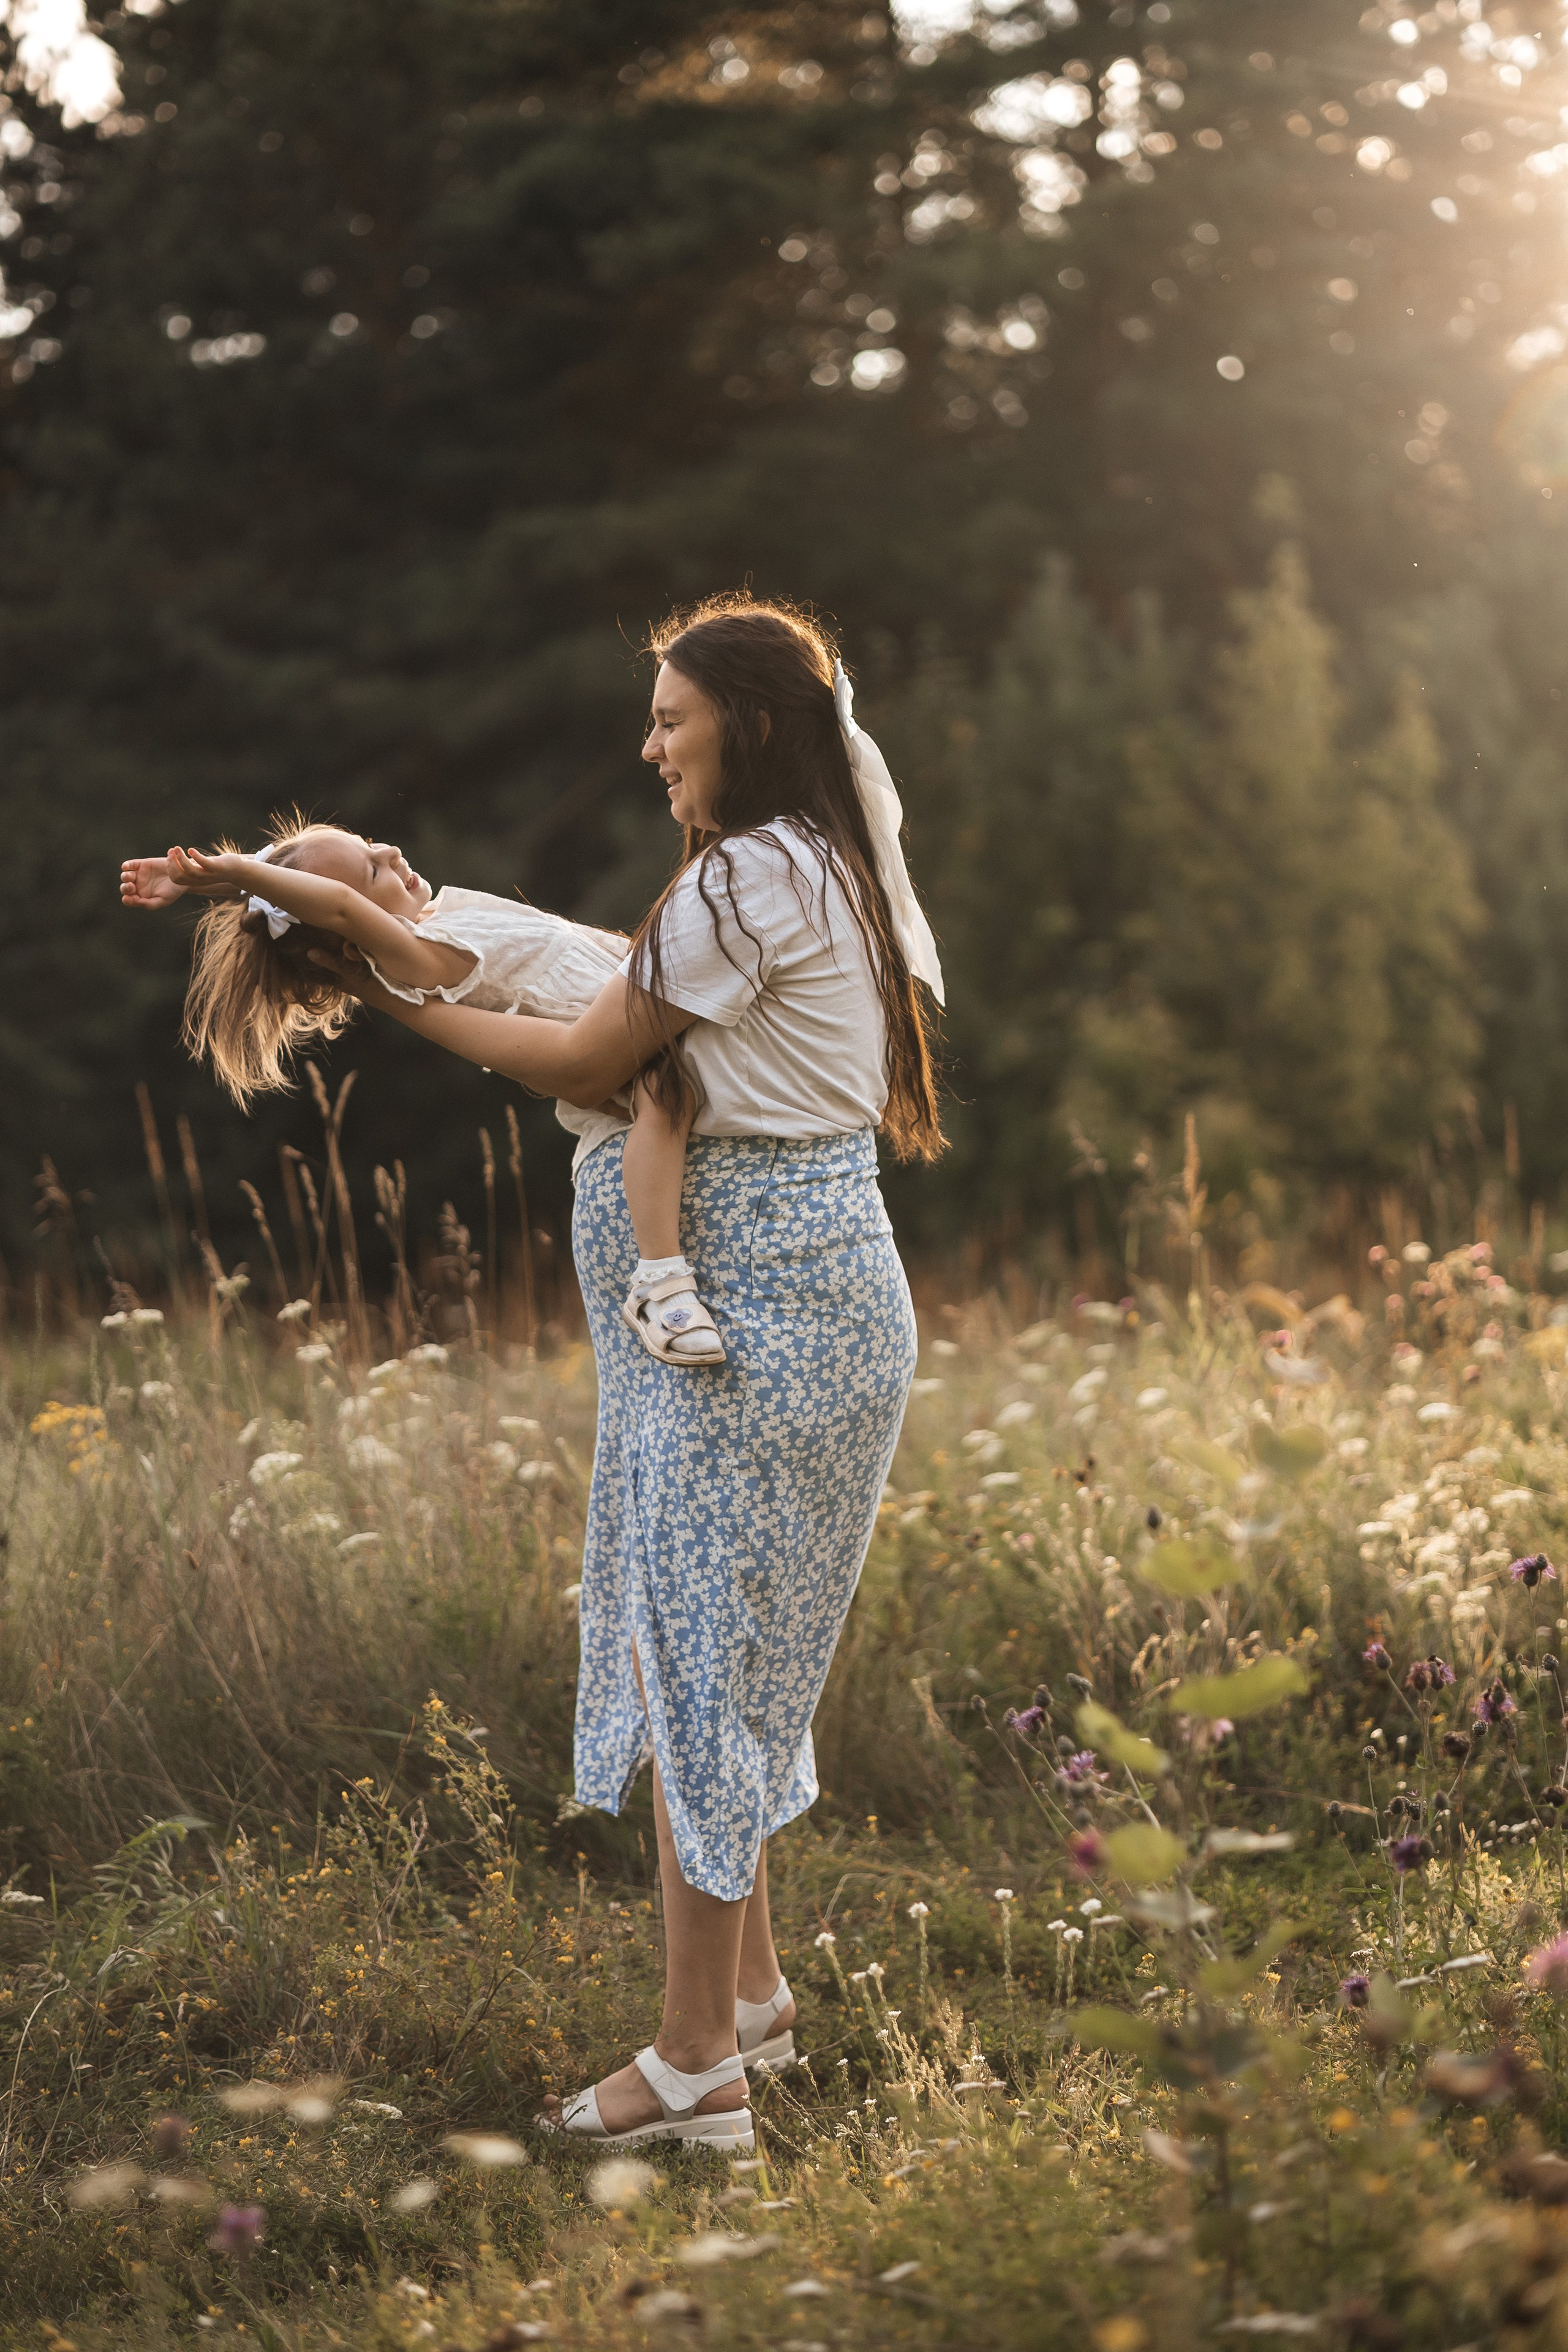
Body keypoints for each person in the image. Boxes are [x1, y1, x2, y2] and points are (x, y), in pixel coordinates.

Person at [312, 594, 946, 2156]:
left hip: (759, 1311)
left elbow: (597, 1062)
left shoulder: (743, 876)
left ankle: (687, 2067)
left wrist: (407, 1002)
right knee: (718, 1656)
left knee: (694, 1666)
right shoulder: (807, 866)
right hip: (798, 1298)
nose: (648, 744)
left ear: (748, 720)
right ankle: (749, 2004)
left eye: (671, 717)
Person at [118, 825, 725, 1363]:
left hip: (644, 1006)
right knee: (662, 1095)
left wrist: (205, 879)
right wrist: (239, 873)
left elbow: (318, 895)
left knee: (672, 1089)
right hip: (632, 1059)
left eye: (371, 843)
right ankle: (662, 1279)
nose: (389, 851)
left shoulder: (440, 919)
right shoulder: (416, 959)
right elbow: (335, 909)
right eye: (372, 870)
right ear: (348, 929)